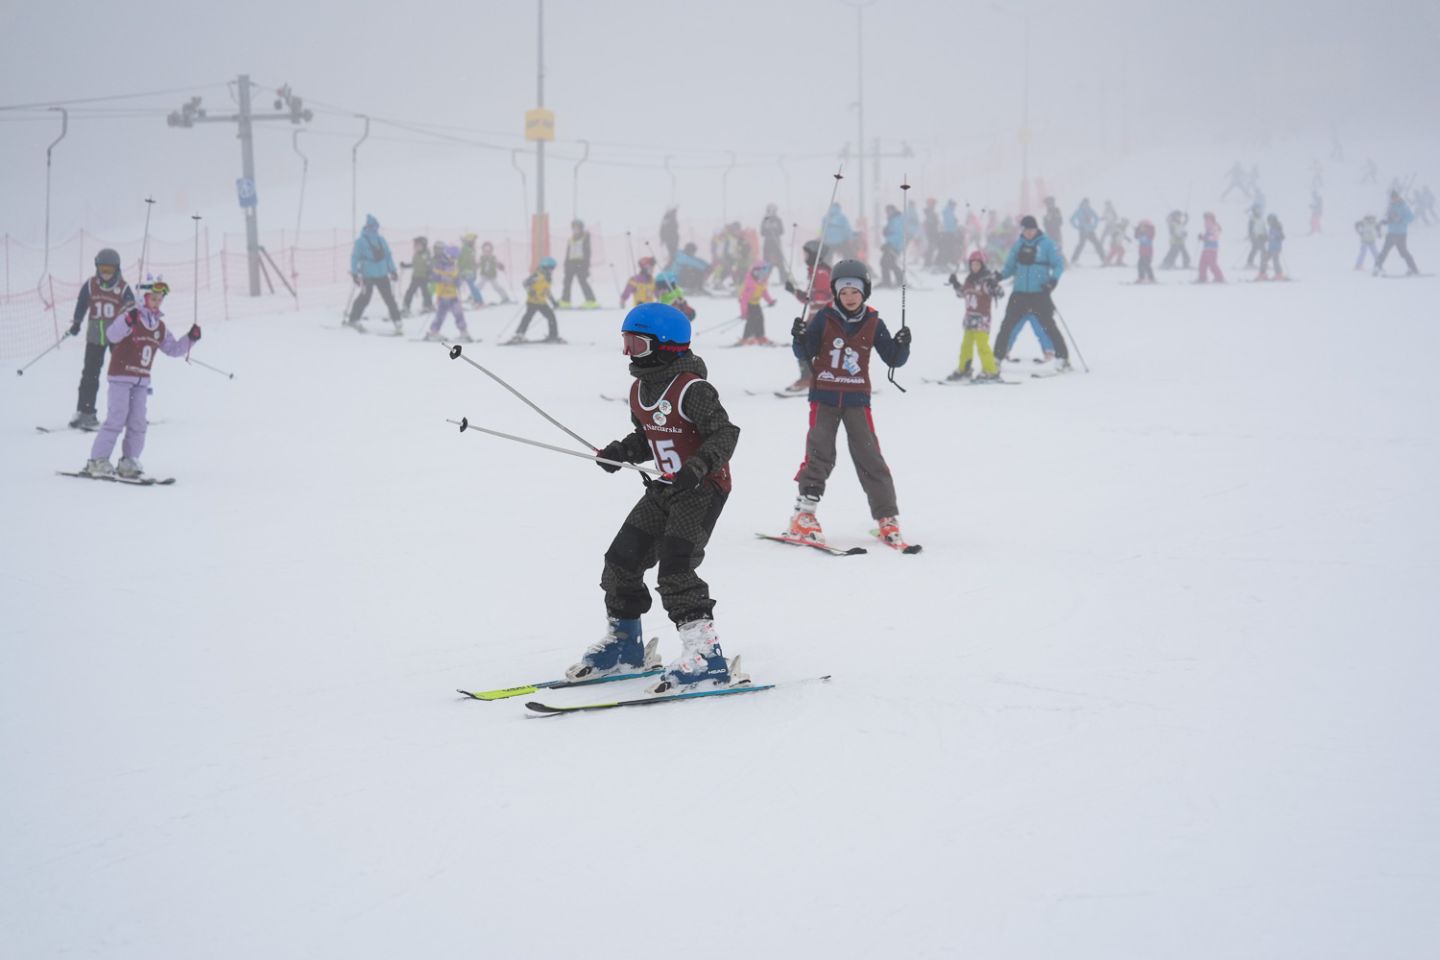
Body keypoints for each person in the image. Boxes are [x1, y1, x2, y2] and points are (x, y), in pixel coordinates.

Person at [577, 302, 742, 694]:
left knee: (675, 569)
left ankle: (705, 657)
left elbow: (725, 434)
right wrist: (622, 451)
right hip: (663, 489)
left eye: (637, 345)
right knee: (621, 561)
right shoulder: (641, 388)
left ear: (666, 346)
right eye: (626, 344)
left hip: (701, 491)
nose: (629, 354)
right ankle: (625, 645)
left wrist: (698, 466)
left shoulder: (693, 389)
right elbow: (649, 436)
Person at [788, 259, 912, 549]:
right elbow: (805, 352)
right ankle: (804, 513)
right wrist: (799, 338)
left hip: (857, 399)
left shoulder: (874, 321)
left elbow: (893, 358)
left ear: (864, 291)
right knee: (820, 452)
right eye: (843, 292)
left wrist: (903, 344)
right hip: (824, 397)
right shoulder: (824, 317)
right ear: (836, 293)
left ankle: (887, 517)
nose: (849, 297)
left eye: (855, 291)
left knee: (869, 456)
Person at [80, 279, 199, 479]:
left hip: (141, 381)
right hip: (121, 376)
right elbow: (112, 335)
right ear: (143, 298)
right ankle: (97, 460)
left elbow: (173, 349)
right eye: (153, 298)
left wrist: (191, 338)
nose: (157, 303)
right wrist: (127, 321)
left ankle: (129, 460)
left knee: (138, 422)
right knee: (117, 418)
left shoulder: (159, 327)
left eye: (160, 300)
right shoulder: (131, 316)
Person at [66, 248, 135, 430]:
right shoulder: (91, 285)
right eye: (102, 269)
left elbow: (131, 308)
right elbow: (81, 304)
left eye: (109, 270)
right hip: (95, 338)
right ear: (97, 268)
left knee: (122, 375)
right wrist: (77, 322)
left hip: (117, 337)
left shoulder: (123, 288)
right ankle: (85, 412)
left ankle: (128, 413)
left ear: (116, 269)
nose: (106, 274)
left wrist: (131, 316)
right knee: (89, 375)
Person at [992, 215, 1070, 371]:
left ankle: (1062, 358)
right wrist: (999, 276)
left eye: (1031, 229)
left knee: (1049, 326)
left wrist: (1053, 281)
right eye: (1026, 229)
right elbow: (1009, 268)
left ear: (1036, 229)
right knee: (1007, 326)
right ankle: (996, 358)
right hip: (1019, 293)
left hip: (1039, 293)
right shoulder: (1018, 245)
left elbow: (1059, 265)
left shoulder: (1047, 244)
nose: (1028, 232)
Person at [944, 250, 1005, 383]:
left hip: (982, 319)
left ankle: (991, 371)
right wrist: (955, 283)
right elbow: (962, 293)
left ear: (982, 265)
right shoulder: (970, 280)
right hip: (969, 318)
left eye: (977, 264)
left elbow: (999, 293)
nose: (975, 267)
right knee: (966, 345)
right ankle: (964, 368)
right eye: (972, 264)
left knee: (982, 345)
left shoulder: (986, 280)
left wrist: (995, 285)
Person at [782, 240, 833, 394]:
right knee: (805, 345)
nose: (804, 257)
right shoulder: (815, 271)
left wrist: (812, 302)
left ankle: (810, 378)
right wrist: (794, 291)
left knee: (805, 346)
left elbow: (821, 298)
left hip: (822, 318)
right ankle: (812, 377)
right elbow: (809, 298)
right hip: (815, 317)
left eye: (807, 253)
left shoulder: (821, 273)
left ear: (814, 255)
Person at [347, 214, 402, 333]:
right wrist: (354, 273)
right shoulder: (360, 241)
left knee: (389, 298)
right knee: (364, 298)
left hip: (382, 274)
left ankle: (397, 321)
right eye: (373, 226)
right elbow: (355, 257)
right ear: (368, 226)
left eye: (376, 227)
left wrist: (393, 270)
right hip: (368, 275)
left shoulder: (381, 240)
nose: (375, 229)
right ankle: (353, 319)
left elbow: (388, 256)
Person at [425, 244, 474, 341]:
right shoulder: (439, 265)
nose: (453, 259)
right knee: (440, 314)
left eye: (455, 257)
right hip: (443, 295)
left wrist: (458, 281)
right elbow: (433, 276)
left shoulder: (454, 266)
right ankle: (434, 332)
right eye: (452, 257)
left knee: (458, 313)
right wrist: (443, 278)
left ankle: (463, 332)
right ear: (447, 255)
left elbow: (458, 279)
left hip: (453, 295)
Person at [510, 257, 561, 343]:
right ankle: (519, 335)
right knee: (528, 317)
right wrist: (531, 291)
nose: (552, 270)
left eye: (553, 268)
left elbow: (547, 291)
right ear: (545, 267)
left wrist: (553, 302)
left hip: (542, 302)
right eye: (551, 268)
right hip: (533, 301)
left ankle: (553, 336)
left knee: (551, 317)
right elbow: (525, 283)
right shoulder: (538, 275)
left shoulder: (548, 278)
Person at [1375, 190, 1421, 276]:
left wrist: (1401, 220)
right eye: (1392, 198)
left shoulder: (1404, 207)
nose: (1393, 200)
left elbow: (1411, 217)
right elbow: (1389, 218)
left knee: (1403, 252)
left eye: (1395, 198)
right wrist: (1383, 222)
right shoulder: (1390, 207)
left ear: (1398, 197)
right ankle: (1377, 267)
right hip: (1391, 233)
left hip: (1401, 234)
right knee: (1385, 251)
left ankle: (1413, 268)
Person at [559, 219, 599, 309]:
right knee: (567, 282)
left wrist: (586, 266)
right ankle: (565, 301)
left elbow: (587, 253)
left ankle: (591, 300)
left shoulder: (585, 238)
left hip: (581, 263)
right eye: (574, 228)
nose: (575, 230)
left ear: (581, 228)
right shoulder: (571, 239)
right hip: (571, 263)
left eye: (577, 228)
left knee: (582, 281)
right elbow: (568, 253)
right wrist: (566, 264)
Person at [736, 262, 777, 345]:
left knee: (760, 318)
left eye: (765, 274)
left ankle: (760, 336)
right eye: (762, 274)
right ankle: (746, 338)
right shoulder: (751, 284)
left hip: (755, 303)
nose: (765, 276)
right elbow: (744, 301)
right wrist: (744, 313)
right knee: (751, 320)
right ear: (756, 273)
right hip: (748, 305)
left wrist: (770, 301)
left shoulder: (761, 282)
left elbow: (764, 292)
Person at [399, 236, 434, 317]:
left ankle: (428, 306)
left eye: (418, 245)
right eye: (415, 245)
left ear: (423, 245)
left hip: (424, 277)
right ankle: (406, 307)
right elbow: (414, 264)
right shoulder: (416, 254)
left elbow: (430, 265)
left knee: (426, 292)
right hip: (416, 277)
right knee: (410, 292)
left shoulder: (425, 255)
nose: (415, 247)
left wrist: (429, 274)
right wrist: (405, 265)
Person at [1069, 198, 1104, 264]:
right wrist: (1077, 226)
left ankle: (1104, 259)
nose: (1086, 204)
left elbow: (1096, 218)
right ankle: (1074, 260)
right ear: (1082, 203)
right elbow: (1071, 219)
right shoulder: (1079, 211)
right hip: (1082, 231)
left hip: (1090, 231)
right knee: (1081, 245)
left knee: (1097, 244)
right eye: (1085, 203)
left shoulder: (1090, 210)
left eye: (1087, 203)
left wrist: (1094, 226)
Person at [879, 204, 905, 287]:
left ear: (894, 210)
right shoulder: (892, 220)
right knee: (889, 262)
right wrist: (886, 232)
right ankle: (899, 280)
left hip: (894, 245)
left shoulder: (897, 220)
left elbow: (898, 234)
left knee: (885, 262)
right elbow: (890, 233)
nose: (888, 213)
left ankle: (888, 282)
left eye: (889, 211)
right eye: (887, 211)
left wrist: (889, 243)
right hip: (892, 244)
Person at [760, 204, 787, 283]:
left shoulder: (778, 220)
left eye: (773, 210)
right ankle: (763, 280)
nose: (771, 212)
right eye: (770, 210)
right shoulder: (765, 220)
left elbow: (782, 231)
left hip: (776, 244)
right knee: (767, 263)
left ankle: (783, 279)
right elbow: (762, 232)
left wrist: (775, 229)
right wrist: (767, 229)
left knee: (780, 262)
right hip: (768, 244)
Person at [1196, 212, 1225, 283]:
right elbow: (1207, 237)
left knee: (1212, 264)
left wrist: (1205, 238)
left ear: (1212, 219)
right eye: (1205, 219)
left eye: (1208, 219)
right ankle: (1202, 277)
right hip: (1206, 248)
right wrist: (1202, 237)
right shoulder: (1208, 228)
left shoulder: (1215, 227)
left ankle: (1219, 278)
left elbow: (1215, 237)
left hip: (1212, 249)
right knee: (1202, 263)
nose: (1206, 221)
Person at [457, 234, 484, 306]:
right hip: (464, 271)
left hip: (468, 272)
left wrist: (475, 268)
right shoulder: (466, 249)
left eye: (474, 241)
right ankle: (478, 300)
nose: (474, 242)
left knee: (471, 286)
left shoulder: (470, 249)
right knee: (458, 285)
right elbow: (461, 260)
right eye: (473, 240)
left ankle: (479, 300)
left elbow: (471, 261)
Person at [1257, 214, 1286, 281]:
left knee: (1275, 261)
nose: (1269, 222)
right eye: (1268, 221)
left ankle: (1279, 274)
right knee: (1264, 259)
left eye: (1270, 221)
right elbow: (1269, 237)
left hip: (1276, 248)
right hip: (1270, 248)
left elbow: (1282, 236)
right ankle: (1262, 274)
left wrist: (1277, 237)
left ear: (1273, 220)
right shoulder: (1271, 228)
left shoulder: (1278, 227)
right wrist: (1262, 237)